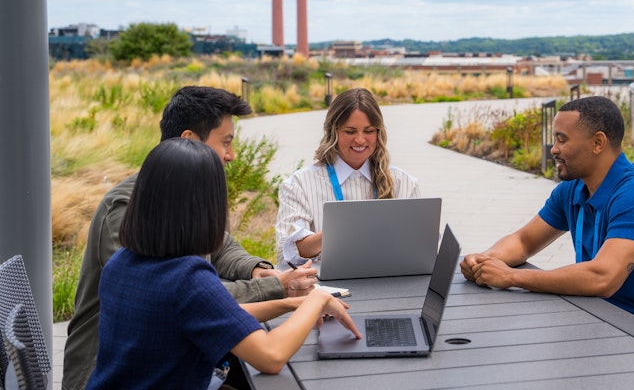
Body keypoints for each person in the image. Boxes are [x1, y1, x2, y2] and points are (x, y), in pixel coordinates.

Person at [63, 86, 320, 390]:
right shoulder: (179, 271)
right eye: (225, 143)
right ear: (190, 142)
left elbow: (201, 297)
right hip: (107, 369)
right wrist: (312, 298)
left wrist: (266, 279)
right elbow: (268, 354)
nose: (231, 156)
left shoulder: (131, 254)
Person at [86, 138, 360, 389]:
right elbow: (271, 357)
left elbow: (214, 314)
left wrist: (291, 304)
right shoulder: (187, 278)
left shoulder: (122, 263)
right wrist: (316, 301)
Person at [460, 96, 634, 350]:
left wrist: (512, 276)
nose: (553, 149)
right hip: (612, 326)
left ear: (598, 142)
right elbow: (523, 242)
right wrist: (484, 261)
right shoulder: (573, 189)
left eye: (562, 139)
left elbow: (602, 277)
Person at [275, 87, 420, 265]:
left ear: (379, 132)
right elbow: (285, 256)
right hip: (327, 290)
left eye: (369, 131)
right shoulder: (299, 184)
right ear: (332, 132)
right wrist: (345, 230)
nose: (360, 140)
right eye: (350, 132)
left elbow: (420, 251)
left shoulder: (405, 183)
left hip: (390, 284)